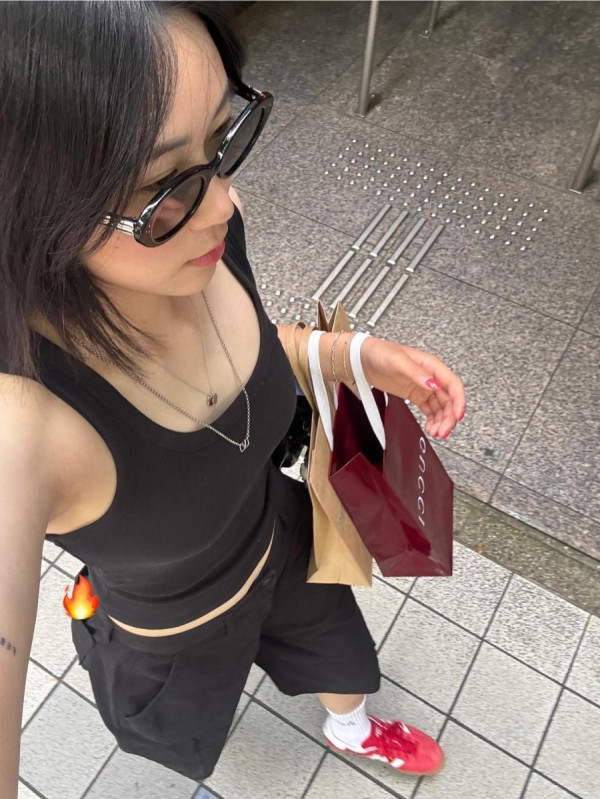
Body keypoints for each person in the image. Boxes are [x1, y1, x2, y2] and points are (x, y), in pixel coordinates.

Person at [0, 1, 466, 794]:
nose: (222, 204)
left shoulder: (202, 231)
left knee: (344, 656)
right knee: (184, 736)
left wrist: (350, 355)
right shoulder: (23, 415)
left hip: (285, 541)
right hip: (172, 628)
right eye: (161, 186)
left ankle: (352, 728)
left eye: (222, 141)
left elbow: (242, 349)